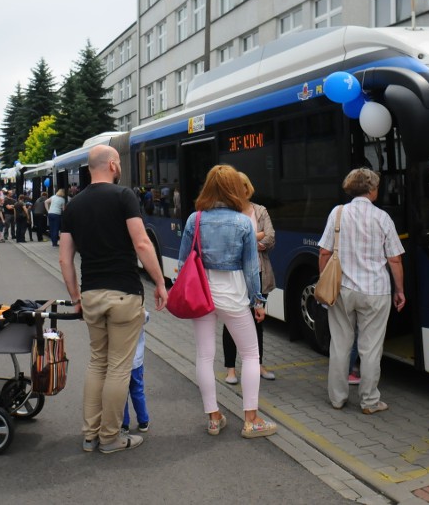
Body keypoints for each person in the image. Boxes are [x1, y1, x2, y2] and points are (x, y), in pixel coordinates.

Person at [59, 144, 168, 454]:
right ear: (110, 165)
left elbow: (65, 260)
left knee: (97, 364)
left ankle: (89, 435)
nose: (120, 166)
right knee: (119, 368)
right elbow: (142, 243)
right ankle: (110, 438)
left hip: (91, 294)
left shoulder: (73, 206)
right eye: (118, 162)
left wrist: (75, 298)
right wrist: (160, 283)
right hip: (123, 293)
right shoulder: (123, 196)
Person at [178, 164, 276, 439]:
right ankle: (251, 419)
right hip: (232, 293)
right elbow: (250, 268)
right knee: (250, 354)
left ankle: (213, 417)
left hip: (202, 293)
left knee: (204, 356)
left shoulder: (194, 219)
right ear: (235, 189)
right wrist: (258, 301)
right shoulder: (243, 222)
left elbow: (184, 261)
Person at [318, 168, 406, 415]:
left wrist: (325, 281)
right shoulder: (383, 218)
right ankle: (369, 401)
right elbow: (395, 259)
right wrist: (400, 290)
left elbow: (324, 252)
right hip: (376, 291)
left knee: (340, 345)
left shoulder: (337, 213)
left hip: (342, 289)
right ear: (372, 190)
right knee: (370, 348)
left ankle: (337, 398)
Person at [224, 172, 276, 384]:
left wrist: (246, 239)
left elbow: (271, 238)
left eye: (242, 186)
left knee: (258, 320)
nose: (240, 191)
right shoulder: (227, 212)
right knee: (232, 322)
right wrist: (257, 235)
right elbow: (228, 243)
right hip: (235, 275)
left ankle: (258, 365)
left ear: (248, 188)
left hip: (260, 273)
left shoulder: (259, 210)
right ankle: (230, 369)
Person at [122, 311, 150, 435]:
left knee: (122, 394)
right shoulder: (139, 312)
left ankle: (124, 424)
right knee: (138, 391)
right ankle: (143, 421)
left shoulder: (116, 314)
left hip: (120, 363)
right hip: (136, 362)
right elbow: (146, 317)